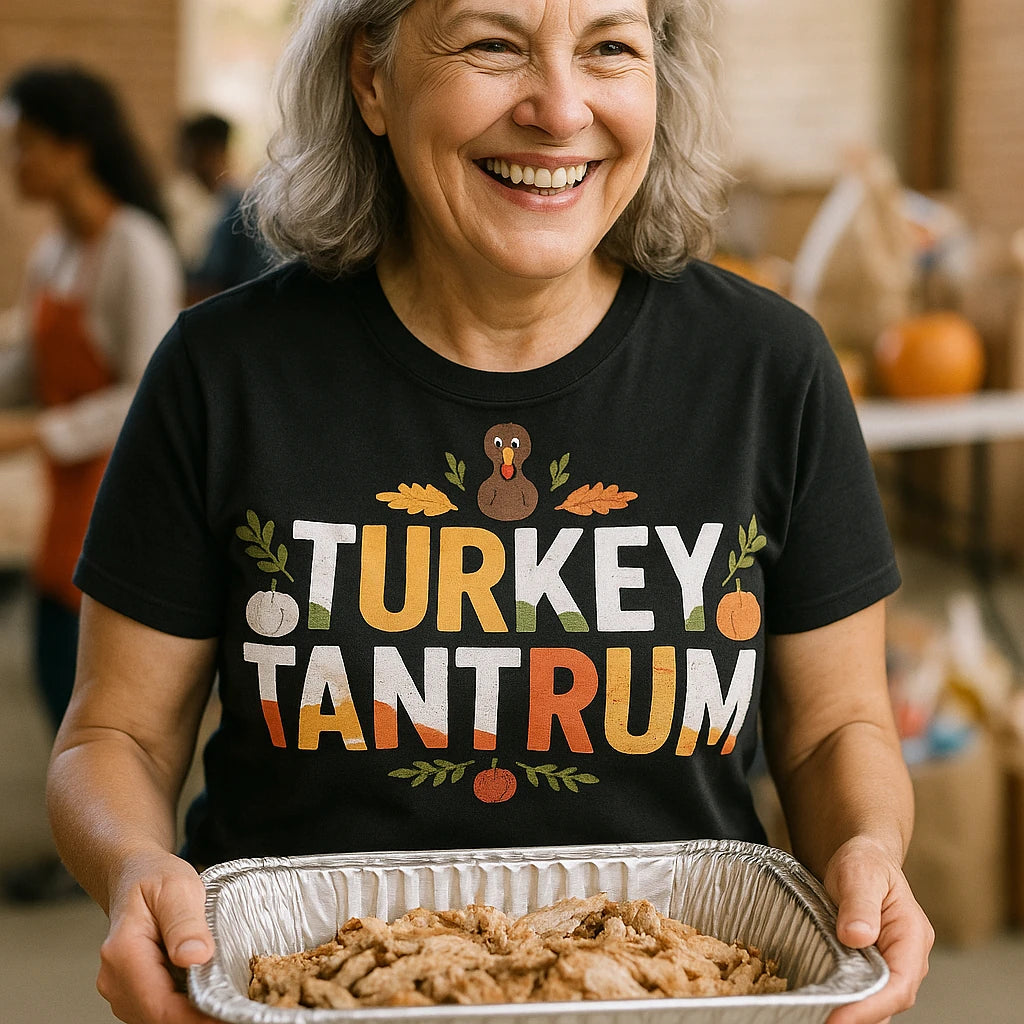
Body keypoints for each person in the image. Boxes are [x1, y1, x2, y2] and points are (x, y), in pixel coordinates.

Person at [47, 2, 933, 1022]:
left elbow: (833, 729)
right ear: (371, 80)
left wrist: (866, 849)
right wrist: (132, 866)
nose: (561, 109)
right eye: (492, 44)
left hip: (668, 995)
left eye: (609, 48)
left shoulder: (766, 372)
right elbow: (115, 734)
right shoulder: (222, 373)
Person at [0, 64, 183, 902]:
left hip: (118, 485)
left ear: (73, 150)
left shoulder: (134, 248)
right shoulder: (58, 251)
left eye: (26, 145)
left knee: (100, 691)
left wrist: (40, 429)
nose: (14, 162)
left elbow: (146, 388)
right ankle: (96, 840)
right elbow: (29, 359)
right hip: (67, 488)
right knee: (54, 674)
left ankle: (123, 853)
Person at [169, 112, 269, 303]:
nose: (186, 161)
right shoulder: (210, 202)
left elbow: (214, 280)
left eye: (191, 151)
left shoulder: (241, 207)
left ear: (213, 151)